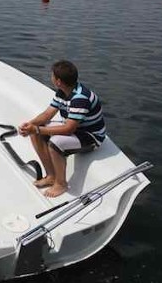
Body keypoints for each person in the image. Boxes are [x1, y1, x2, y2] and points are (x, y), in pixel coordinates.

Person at [18, 60, 106, 198]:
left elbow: (68, 129)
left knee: (55, 143)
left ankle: (61, 184)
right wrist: (29, 125)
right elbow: (47, 114)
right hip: (76, 129)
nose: (51, 77)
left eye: (52, 75)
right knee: (36, 132)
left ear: (58, 81)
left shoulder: (80, 98)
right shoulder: (62, 92)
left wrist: (36, 130)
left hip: (91, 136)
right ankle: (51, 176)